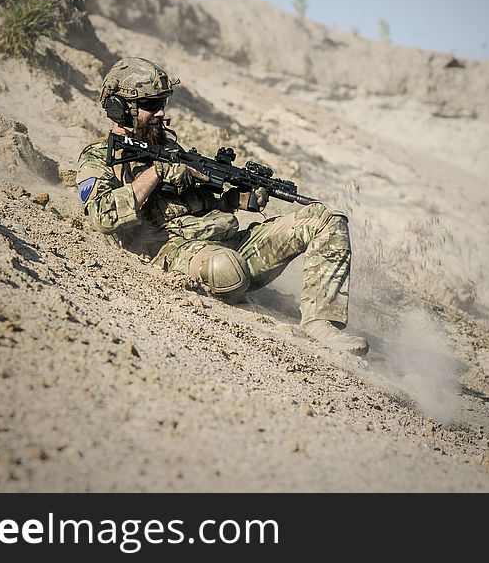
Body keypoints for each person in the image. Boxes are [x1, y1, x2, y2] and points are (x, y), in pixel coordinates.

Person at [76, 57, 368, 356]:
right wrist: (156, 172)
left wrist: (233, 200)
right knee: (225, 269)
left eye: (163, 102)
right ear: (120, 108)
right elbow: (103, 216)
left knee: (326, 218)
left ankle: (320, 322)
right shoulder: (99, 158)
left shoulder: (169, 148)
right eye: (151, 104)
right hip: (173, 250)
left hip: (227, 241)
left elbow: (192, 205)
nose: (161, 112)